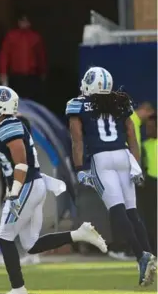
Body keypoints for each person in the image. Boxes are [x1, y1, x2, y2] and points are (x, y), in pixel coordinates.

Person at [0, 85, 107, 294]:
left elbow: (21, 164)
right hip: (29, 185)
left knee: (4, 236)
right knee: (30, 244)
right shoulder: (2, 126)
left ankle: (18, 289)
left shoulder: (9, 125)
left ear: (0, 106)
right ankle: (79, 234)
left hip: (26, 185)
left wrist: (15, 193)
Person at [65, 67, 156, 287]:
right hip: (124, 155)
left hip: (101, 159)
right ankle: (148, 255)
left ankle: (140, 255)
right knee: (132, 212)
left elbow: (77, 140)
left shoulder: (77, 104)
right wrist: (135, 164)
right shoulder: (121, 102)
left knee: (117, 211)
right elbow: (132, 135)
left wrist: (79, 168)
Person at [0, 14, 46, 102]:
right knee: (16, 101)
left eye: (26, 21)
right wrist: (3, 72)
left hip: (31, 76)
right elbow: (4, 55)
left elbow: (40, 56)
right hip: (16, 77)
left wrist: (42, 72)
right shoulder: (11, 36)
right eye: (22, 21)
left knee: (31, 101)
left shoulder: (35, 37)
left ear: (29, 23)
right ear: (18, 22)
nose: (24, 23)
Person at [139, 113, 157, 254]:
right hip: (151, 184)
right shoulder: (144, 145)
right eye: (146, 127)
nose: (147, 130)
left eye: (151, 127)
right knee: (151, 220)